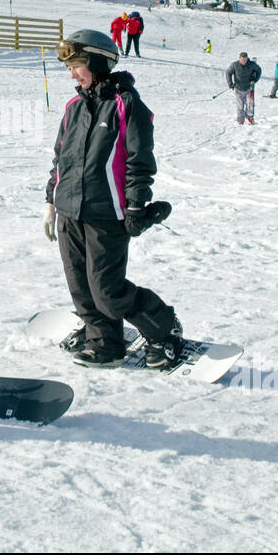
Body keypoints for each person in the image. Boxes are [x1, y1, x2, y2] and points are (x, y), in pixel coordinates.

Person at [44, 30, 182, 368]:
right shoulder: (74, 107)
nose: (73, 74)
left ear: (97, 61)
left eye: (76, 65)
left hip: (107, 213)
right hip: (69, 211)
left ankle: (164, 329)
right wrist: (51, 201)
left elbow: (139, 161)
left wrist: (136, 206)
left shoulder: (127, 104)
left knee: (108, 291)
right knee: (80, 287)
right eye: (69, 68)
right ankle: (104, 342)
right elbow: (60, 158)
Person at [226, 51, 262, 125]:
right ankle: (240, 120)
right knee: (240, 106)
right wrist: (230, 83)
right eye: (242, 60)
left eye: (245, 60)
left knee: (250, 104)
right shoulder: (235, 65)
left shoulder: (252, 64)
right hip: (238, 88)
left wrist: (255, 80)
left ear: (247, 58)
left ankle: (250, 118)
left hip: (249, 88)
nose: (243, 61)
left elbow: (259, 70)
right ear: (239, 59)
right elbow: (228, 73)